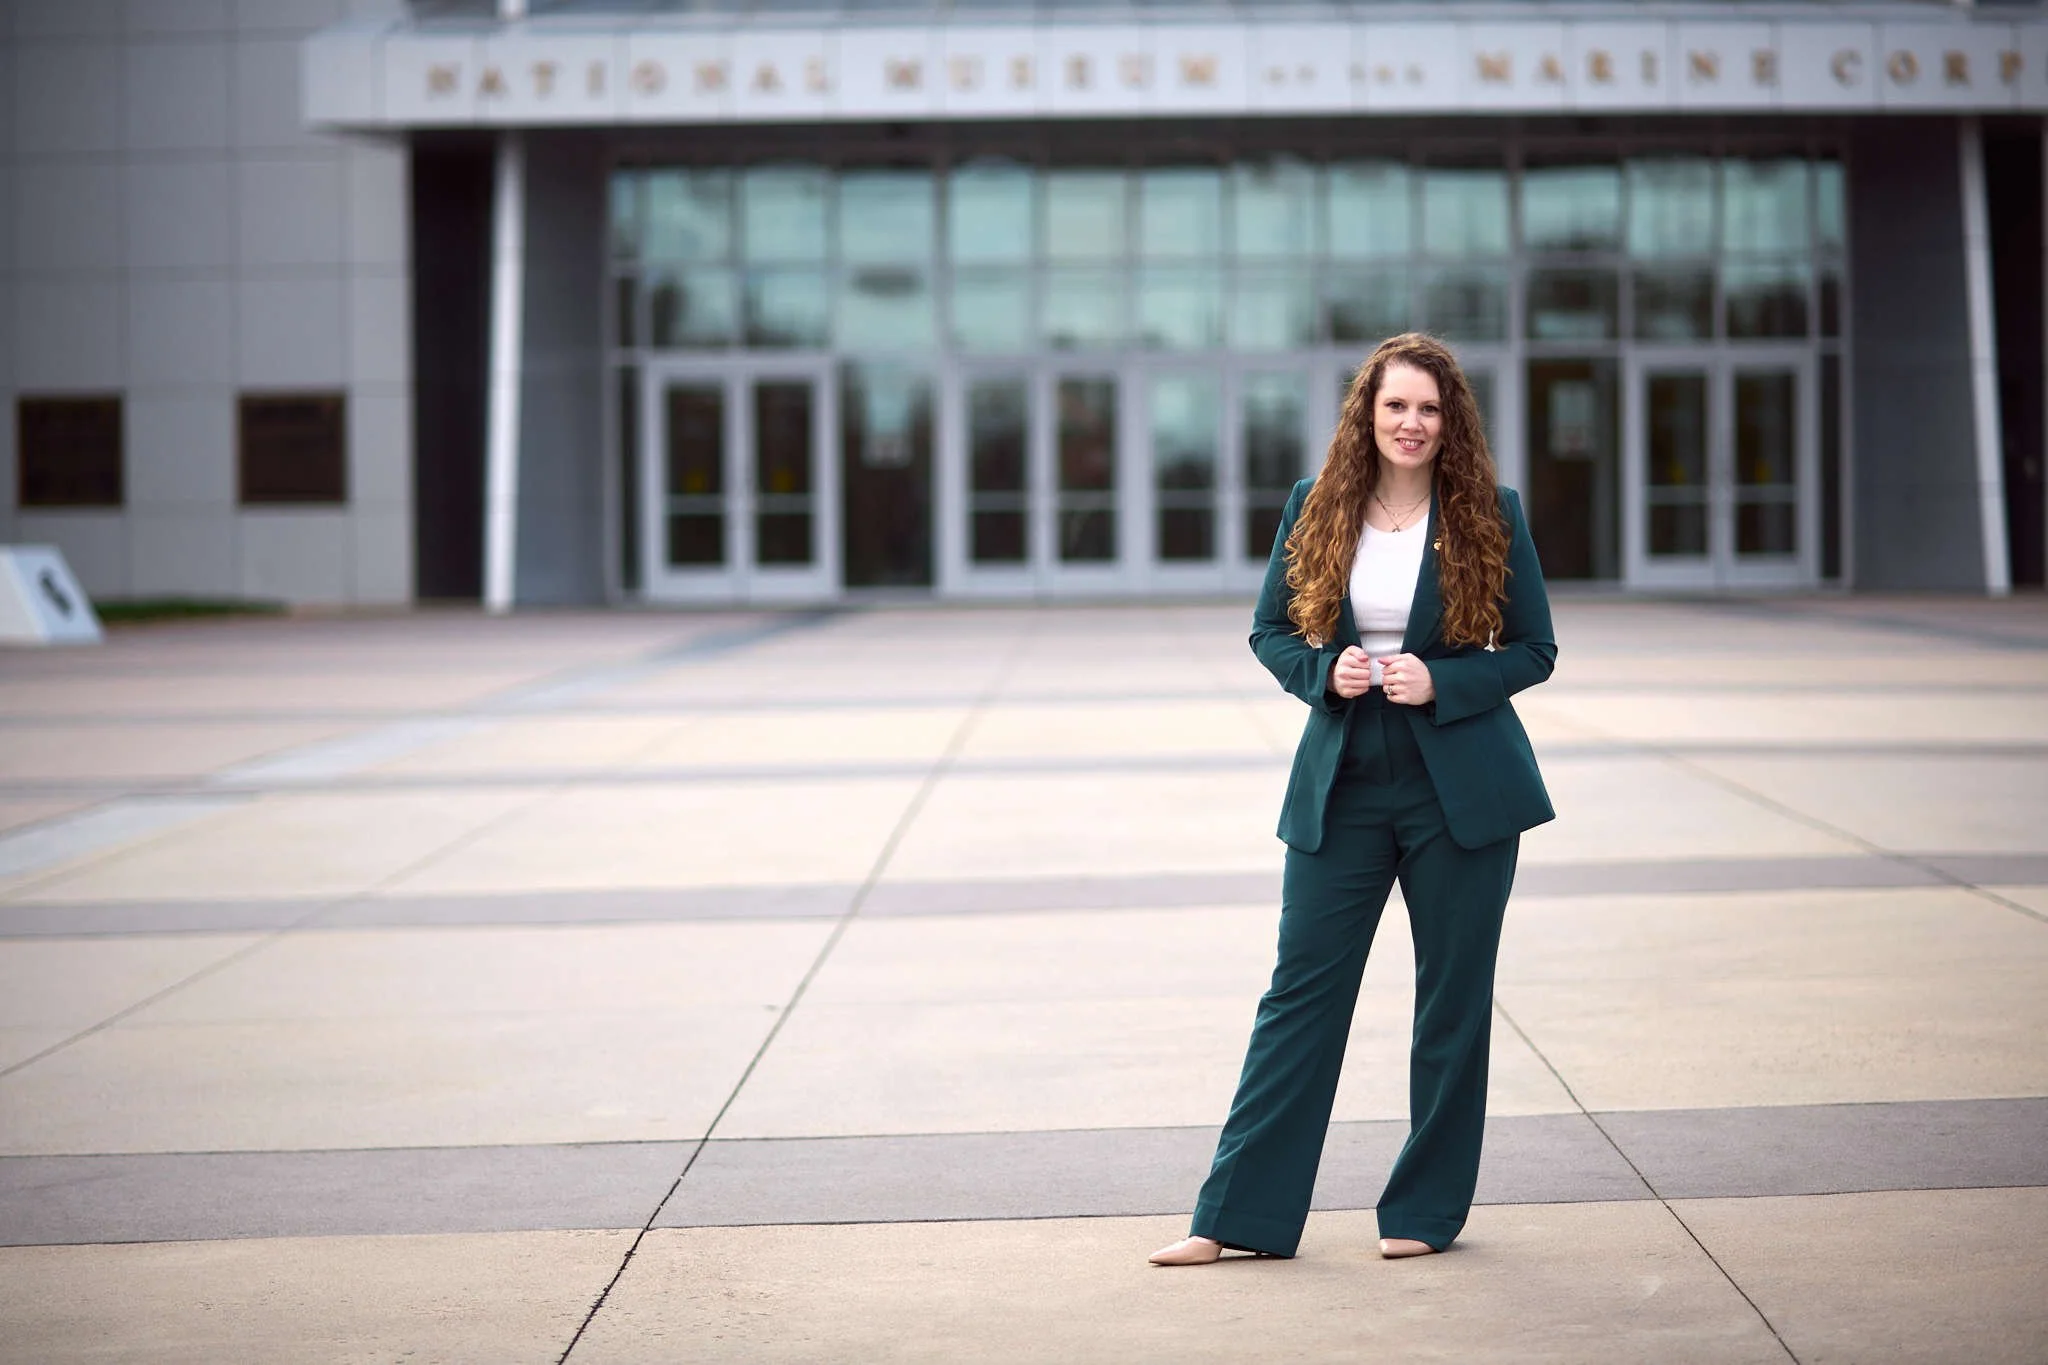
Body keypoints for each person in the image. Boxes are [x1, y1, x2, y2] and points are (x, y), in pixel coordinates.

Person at [1150, 332, 1557, 1266]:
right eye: (1395, 407)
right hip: (1344, 781)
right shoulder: (1317, 504)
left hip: (1463, 788)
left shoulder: (1491, 512)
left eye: (1428, 408)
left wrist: (1445, 683)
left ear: (1448, 420)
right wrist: (1323, 671)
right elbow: (1267, 631)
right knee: (1299, 993)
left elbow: (1534, 648)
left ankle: (1424, 1207)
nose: (1411, 423)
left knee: (1452, 1001)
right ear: (1366, 416)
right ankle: (1233, 1215)